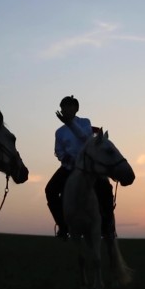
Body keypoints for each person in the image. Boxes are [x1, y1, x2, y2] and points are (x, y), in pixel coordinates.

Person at [45, 95, 116, 241]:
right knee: (50, 190)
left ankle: (107, 227)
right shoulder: (59, 131)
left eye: (69, 106)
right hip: (69, 166)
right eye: (63, 107)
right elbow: (58, 150)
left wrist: (70, 123)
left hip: (87, 165)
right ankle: (63, 226)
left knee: (105, 189)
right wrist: (65, 158)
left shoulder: (85, 122)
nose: (66, 110)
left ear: (76, 109)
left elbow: (85, 138)